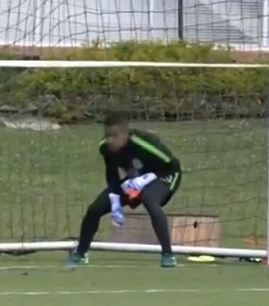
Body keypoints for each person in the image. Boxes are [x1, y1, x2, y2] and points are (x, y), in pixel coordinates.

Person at [68, 112, 183, 268]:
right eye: (107, 135)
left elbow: (171, 165)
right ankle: (81, 254)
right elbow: (112, 175)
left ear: (125, 135)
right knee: (95, 209)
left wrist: (143, 182)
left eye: (114, 135)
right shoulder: (105, 147)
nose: (109, 140)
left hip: (165, 175)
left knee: (149, 199)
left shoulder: (144, 143)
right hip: (135, 179)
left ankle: (168, 254)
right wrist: (115, 202)